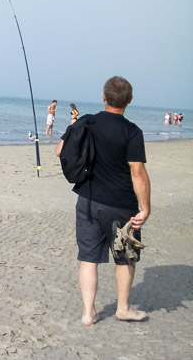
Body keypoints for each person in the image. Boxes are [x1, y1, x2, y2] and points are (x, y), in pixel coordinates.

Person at [55, 76, 151, 326]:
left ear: (103, 97)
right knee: (125, 256)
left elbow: (59, 150)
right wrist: (145, 208)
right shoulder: (132, 131)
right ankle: (123, 308)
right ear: (129, 101)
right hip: (121, 205)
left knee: (88, 258)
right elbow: (137, 172)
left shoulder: (88, 122)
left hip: (87, 201)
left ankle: (88, 313)